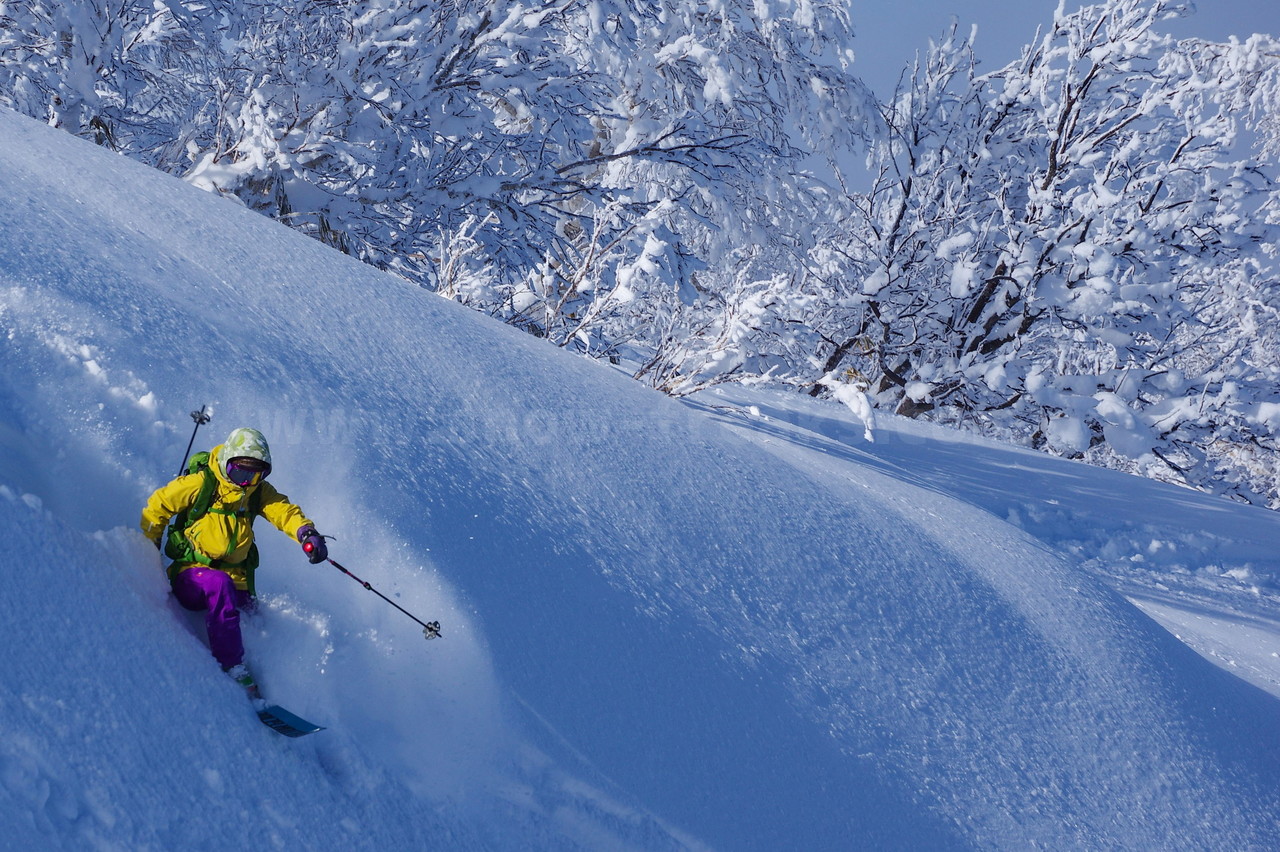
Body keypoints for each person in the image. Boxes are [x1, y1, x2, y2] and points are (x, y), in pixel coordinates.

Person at [140, 427, 327, 696]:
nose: (246, 482)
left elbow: (283, 510)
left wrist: (306, 532)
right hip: (191, 574)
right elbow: (157, 506)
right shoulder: (202, 483)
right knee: (219, 585)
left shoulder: (255, 492)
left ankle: (279, 686)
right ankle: (232, 665)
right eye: (240, 473)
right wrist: (147, 551)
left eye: (256, 475)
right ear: (227, 462)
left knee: (253, 615)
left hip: (236, 578)